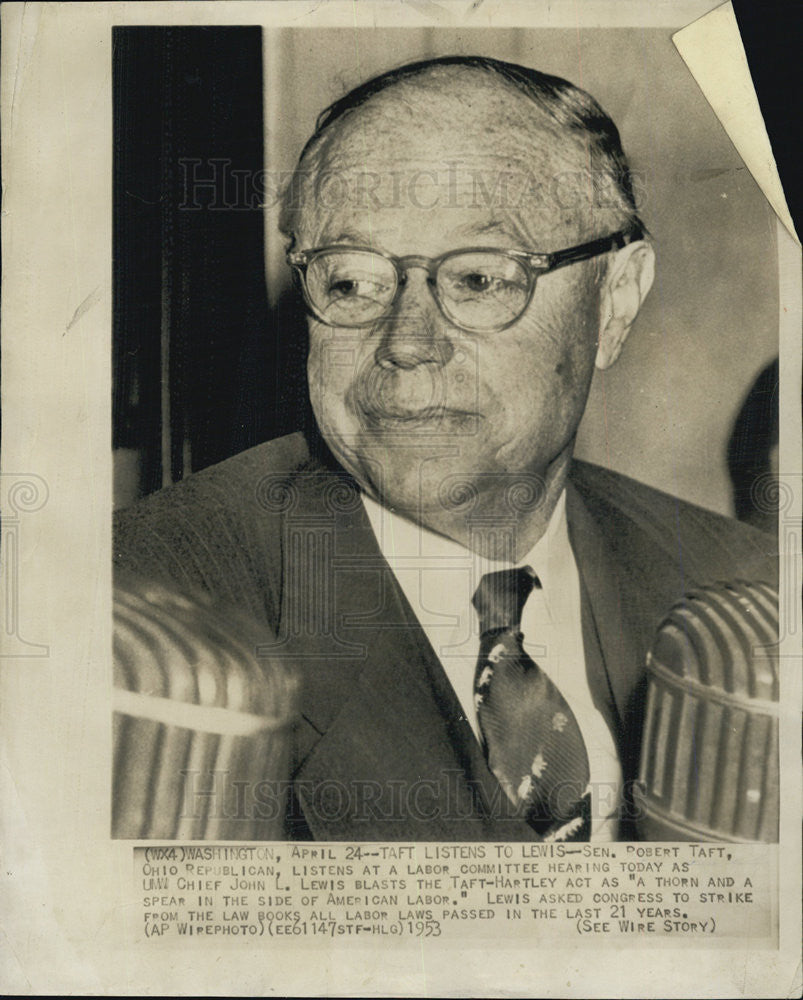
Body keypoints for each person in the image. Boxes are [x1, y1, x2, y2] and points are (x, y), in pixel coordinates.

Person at [113, 55, 777, 842]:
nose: (407, 343)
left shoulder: (754, 597)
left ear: (616, 301)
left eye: (478, 280)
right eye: (351, 282)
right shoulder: (138, 612)